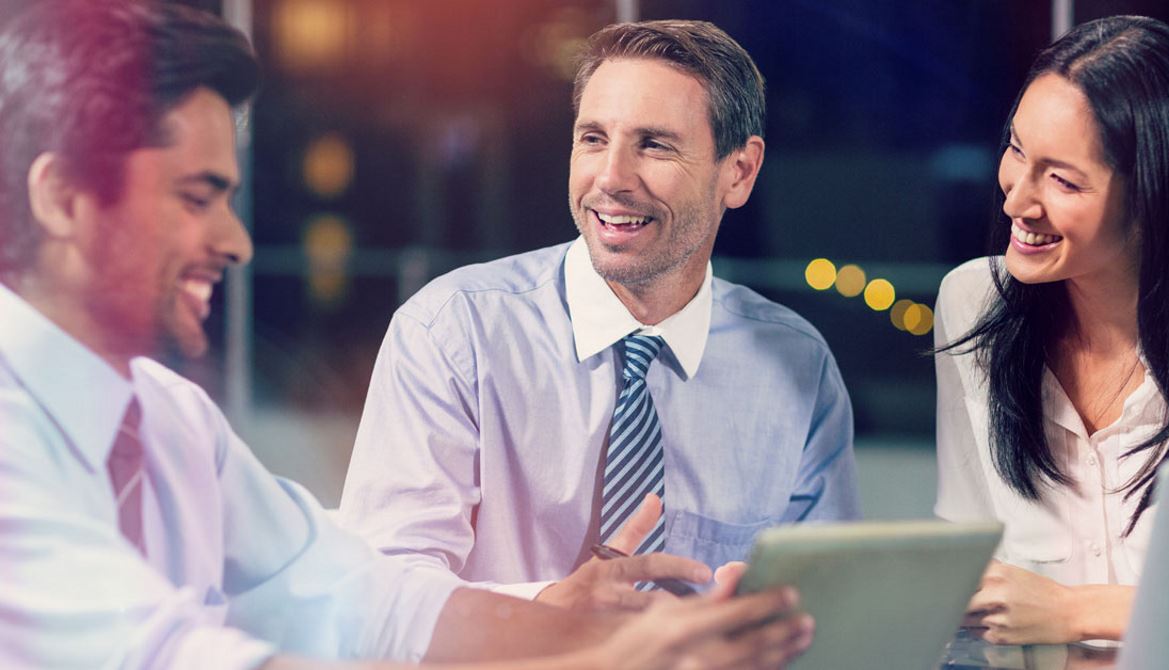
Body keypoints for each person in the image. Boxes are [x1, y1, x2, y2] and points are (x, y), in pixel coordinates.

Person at [0, 2, 814, 668]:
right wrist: (613, 661)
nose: (237, 242)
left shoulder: (171, 423)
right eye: (196, 197)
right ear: (65, 199)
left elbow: (365, 601)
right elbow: (175, 658)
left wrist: (612, 632)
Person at [338, 19, 859, 608]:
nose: (610, 179)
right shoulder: (453, 333)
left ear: (737, 173)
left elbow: (825, 607)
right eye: (592, 139)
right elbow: (382, 598)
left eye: (654, 144)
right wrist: (547, 611)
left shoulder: (797, 368)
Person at [934, 15, 1169, 646]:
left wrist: (1073, 611)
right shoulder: (972, 302)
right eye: (1016, 151)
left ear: (1157, 196)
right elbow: (970, 561)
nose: (1016, 200)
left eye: (1063, 180)